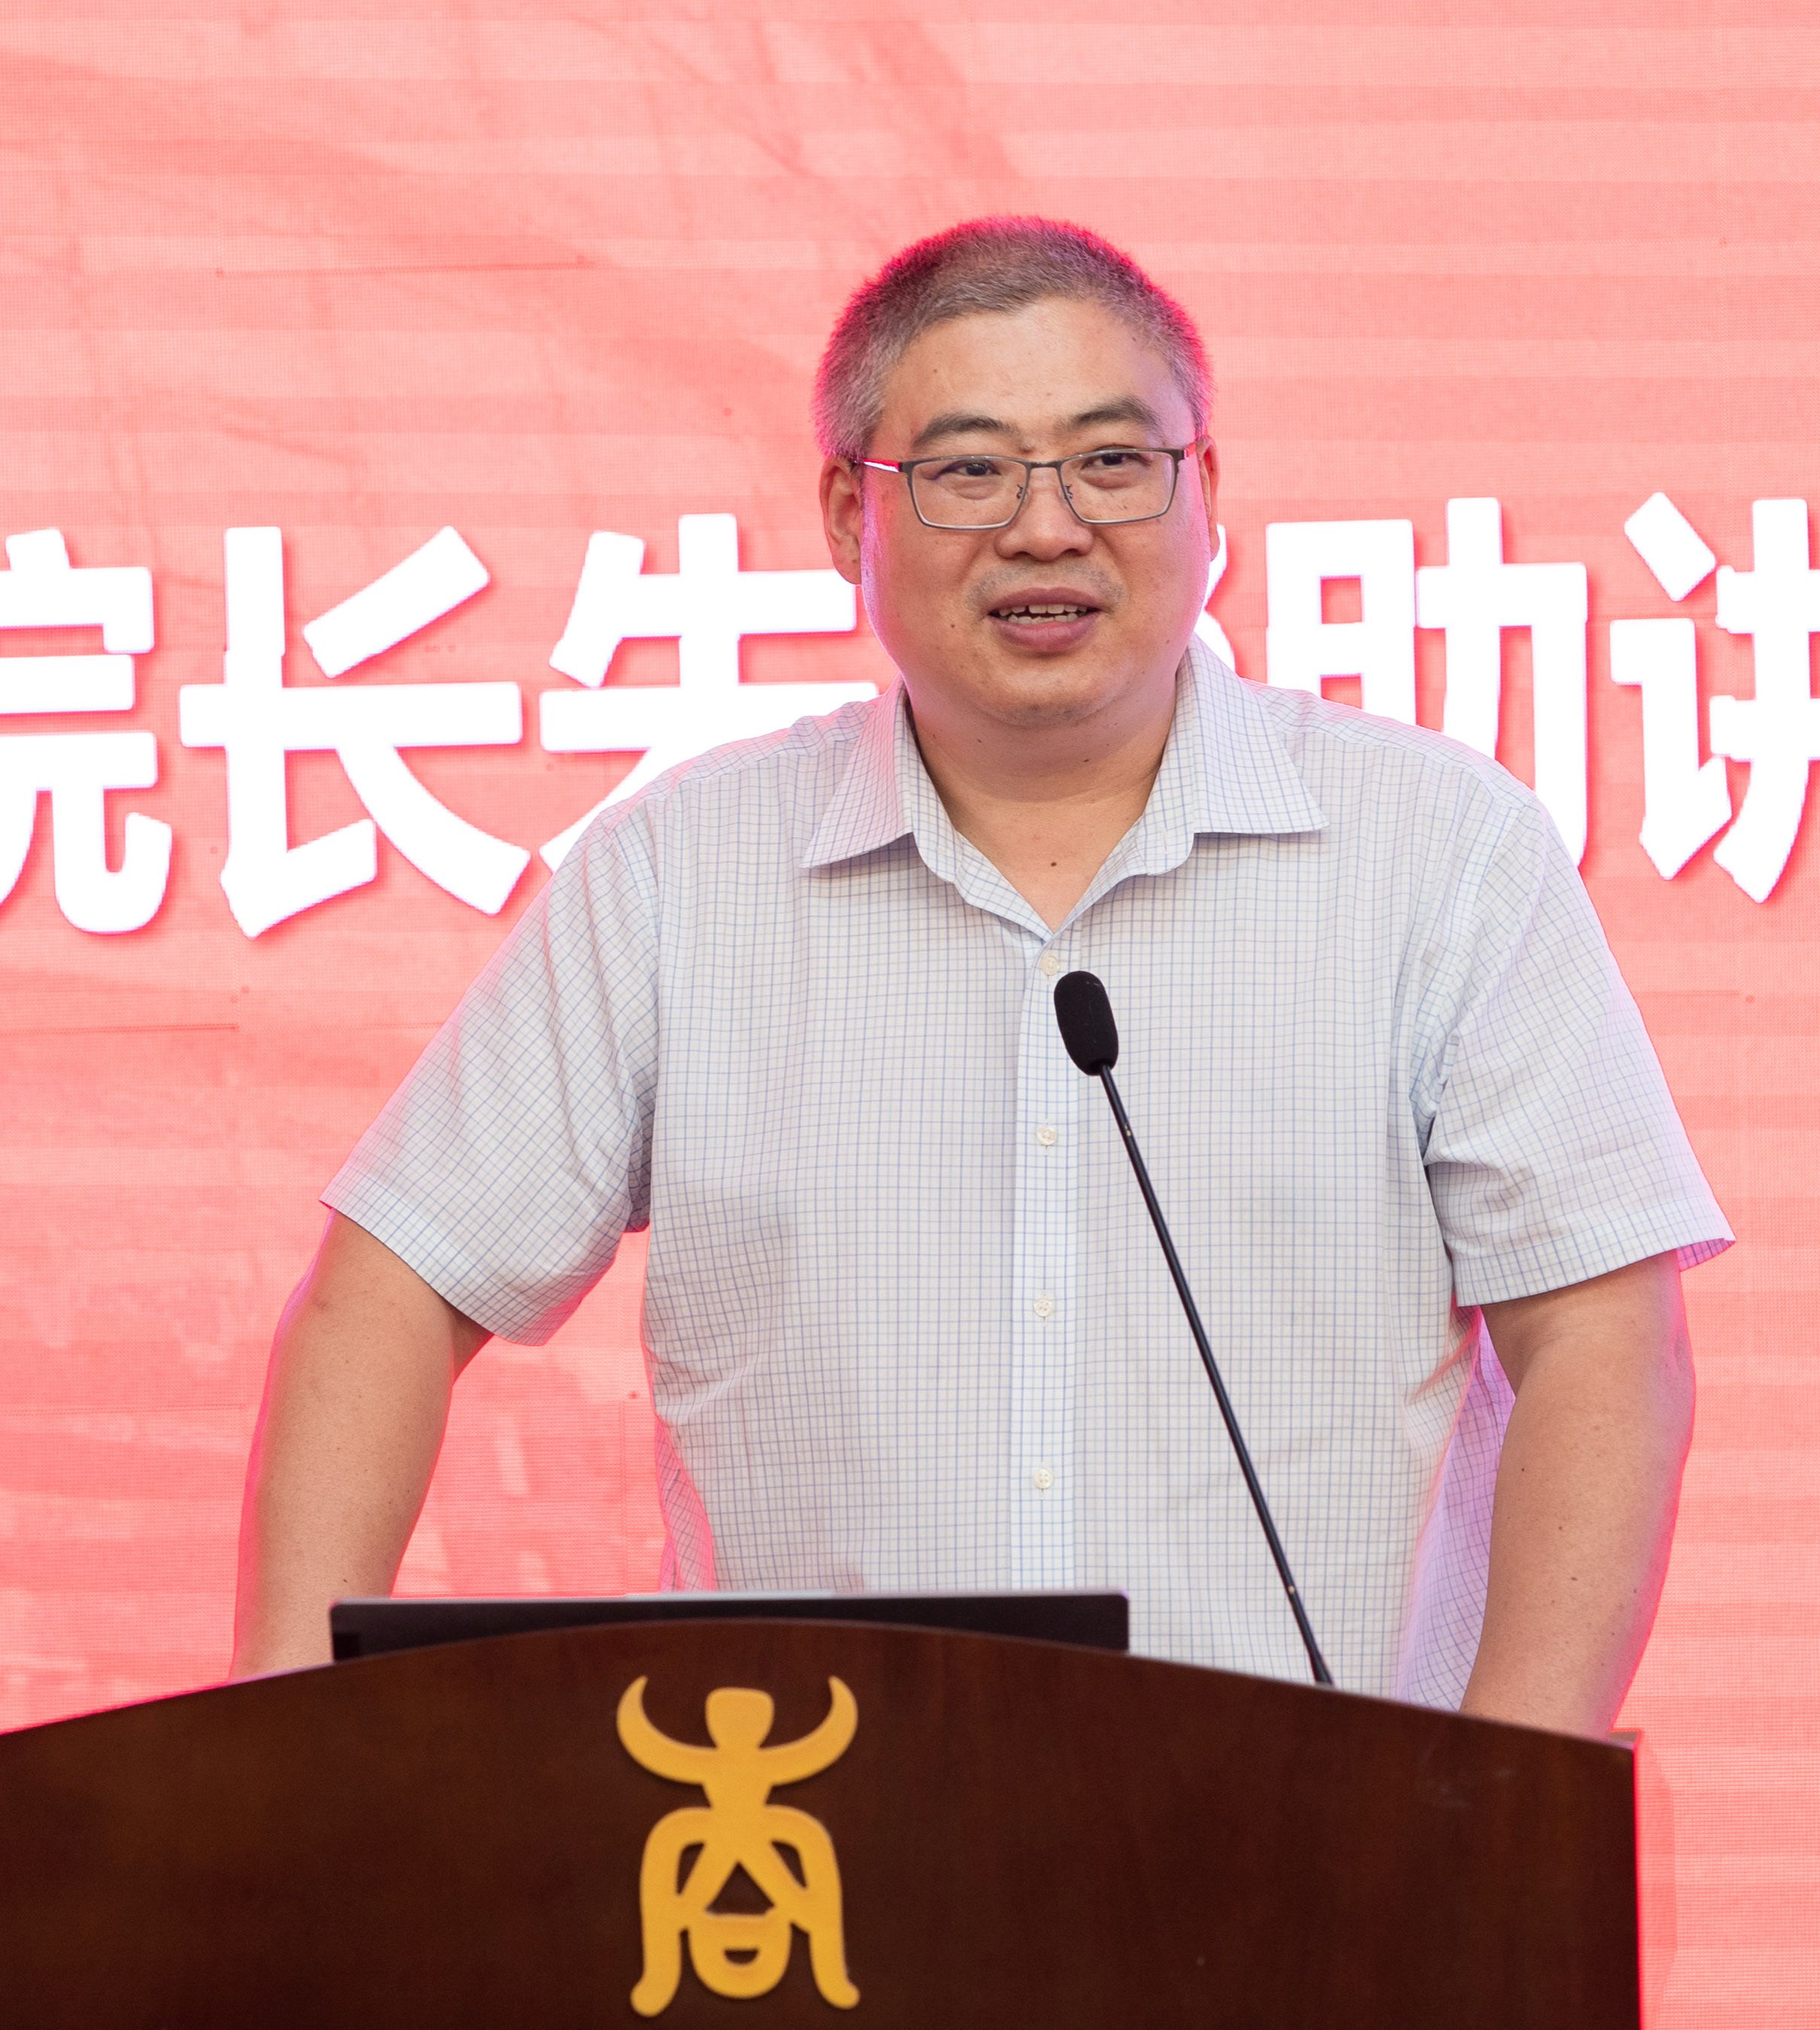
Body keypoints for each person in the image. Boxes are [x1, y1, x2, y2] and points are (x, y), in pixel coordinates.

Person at [226, 218, 1728, 1730]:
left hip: (1324, 1833)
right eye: (968, 470)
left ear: (1208, 494)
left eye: (1112, 461)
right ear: (848, 513)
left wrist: (1499, 1797)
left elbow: (1599, 1336)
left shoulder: (1438, 851)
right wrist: (276, 1752)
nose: (1047, 528)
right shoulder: (682, 876)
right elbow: (390, 1293)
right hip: (803, 1829)